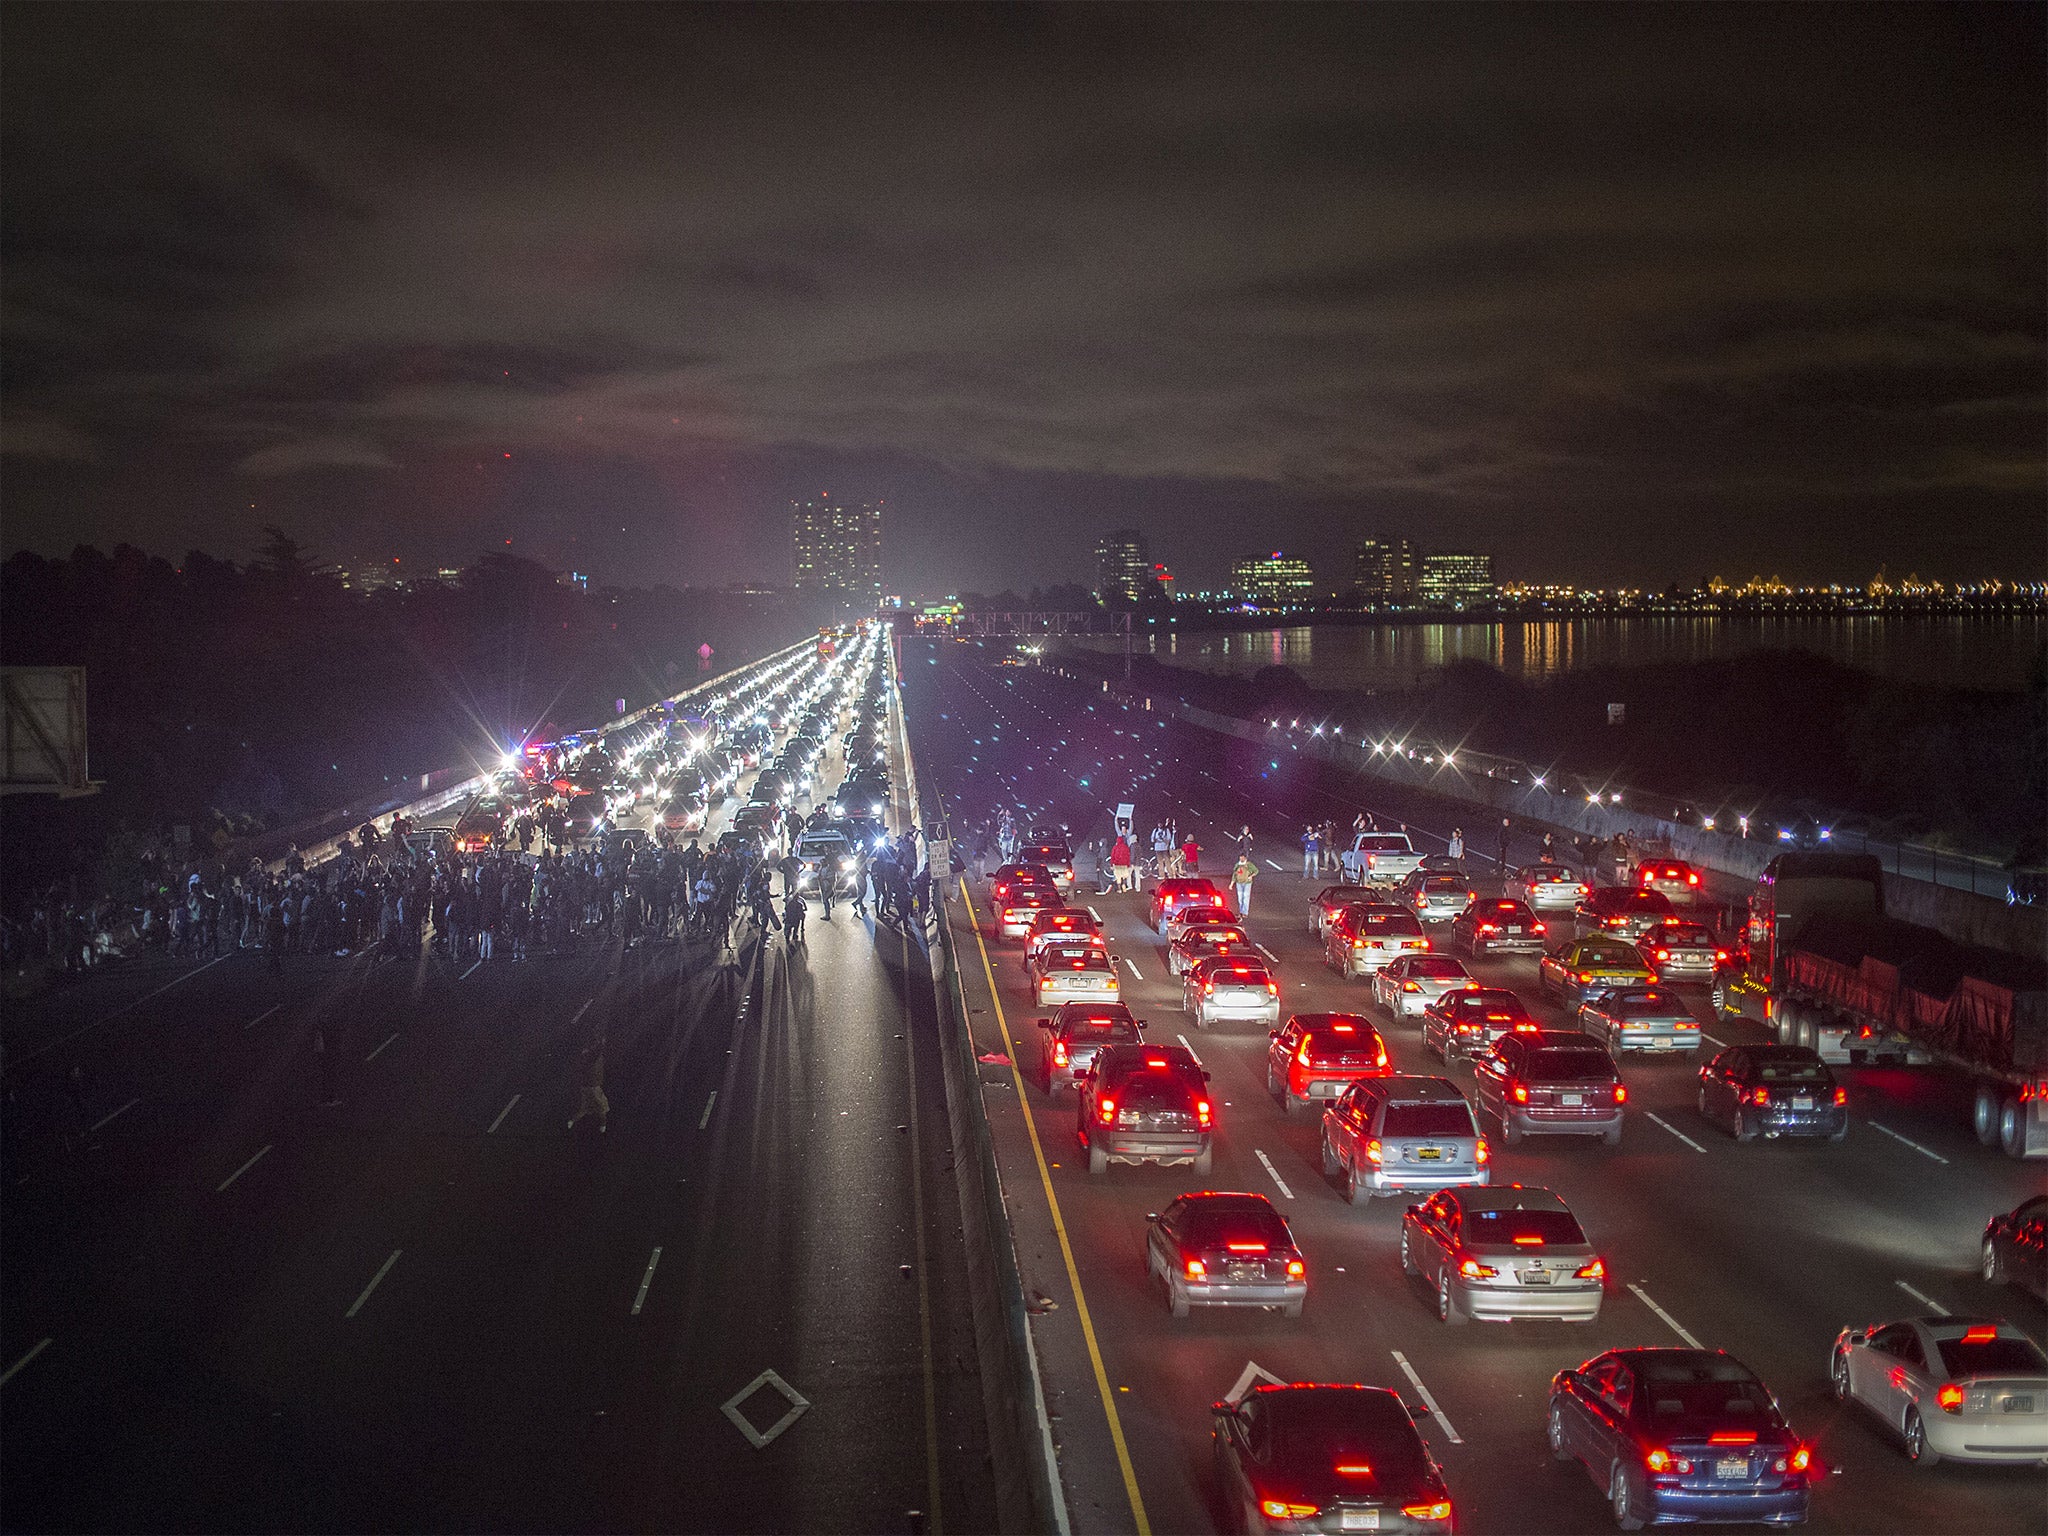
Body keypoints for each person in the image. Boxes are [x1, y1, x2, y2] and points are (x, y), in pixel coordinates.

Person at [568, 1040, 609, 1132]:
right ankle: (603, 1125)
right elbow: (598, 1052)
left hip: (585, 1087)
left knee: (584, 1108)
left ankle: (571, 1121)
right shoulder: (593, 1060)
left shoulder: (583, 1061)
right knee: (602, 1108)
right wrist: (602, 1042)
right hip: (594, 1088)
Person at [1232, 852, 1258, 918]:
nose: (1241, 858)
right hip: (1239, 882)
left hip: (1247, 883)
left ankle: (1245, 913)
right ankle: (1241, 912)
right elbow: (1235, 874)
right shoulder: (1237, 865)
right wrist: (1232, 883)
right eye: (1240, 857)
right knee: (1240, 898)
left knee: (1246, 897)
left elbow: (1256, 871)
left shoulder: (1249, 864)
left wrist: (1251, 876)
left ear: (1245, 858)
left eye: (1243, 857)